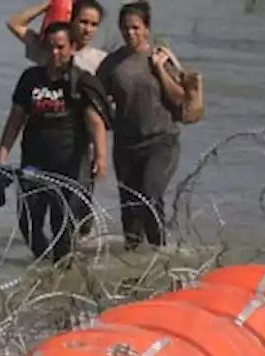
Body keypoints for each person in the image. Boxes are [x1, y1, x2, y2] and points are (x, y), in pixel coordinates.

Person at [0, 22, 110, 264]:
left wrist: (100, 157)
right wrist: (1, 157)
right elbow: (15, 120)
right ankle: (45, 268)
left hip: (70, 165)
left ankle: (62, 270)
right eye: (50, 47)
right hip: (34, 163)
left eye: (60, 47)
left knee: (63, 225)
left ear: (72, 48)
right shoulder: (30, 79)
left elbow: (96, 123)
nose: (55, 53)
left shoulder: (81, 82)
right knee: (29, 222)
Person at [95, 2, 185, 250]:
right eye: (125, 28)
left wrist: (159, 70)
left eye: (135, 28)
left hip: (161, 141)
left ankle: (160, 252)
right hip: (126, 145)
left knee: (150, 195)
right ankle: (134, 264)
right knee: (130, 210)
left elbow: (180, 98)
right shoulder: (112, 63)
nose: (130, 33)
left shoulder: (161, 57)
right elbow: (95, 99)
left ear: (146, 28)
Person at [8, 0, 109, 74]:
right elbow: (14, 23)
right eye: (83, 22)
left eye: (94, 24)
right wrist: (51, 4)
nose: (88, 30)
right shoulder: (50, 49)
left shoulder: (101, 60)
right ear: (72, 20)